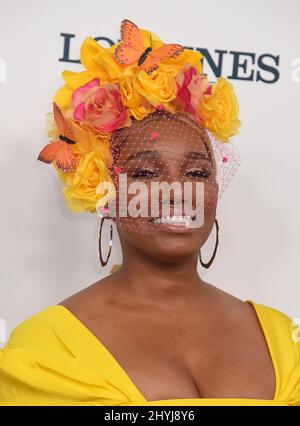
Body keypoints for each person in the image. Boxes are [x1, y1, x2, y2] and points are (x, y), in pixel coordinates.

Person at [0, 19, 299, 406]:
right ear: (105, 191)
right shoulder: (45, 351)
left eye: (196, 173)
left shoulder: (284, 338)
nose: (176, 192)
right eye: (144, 173)